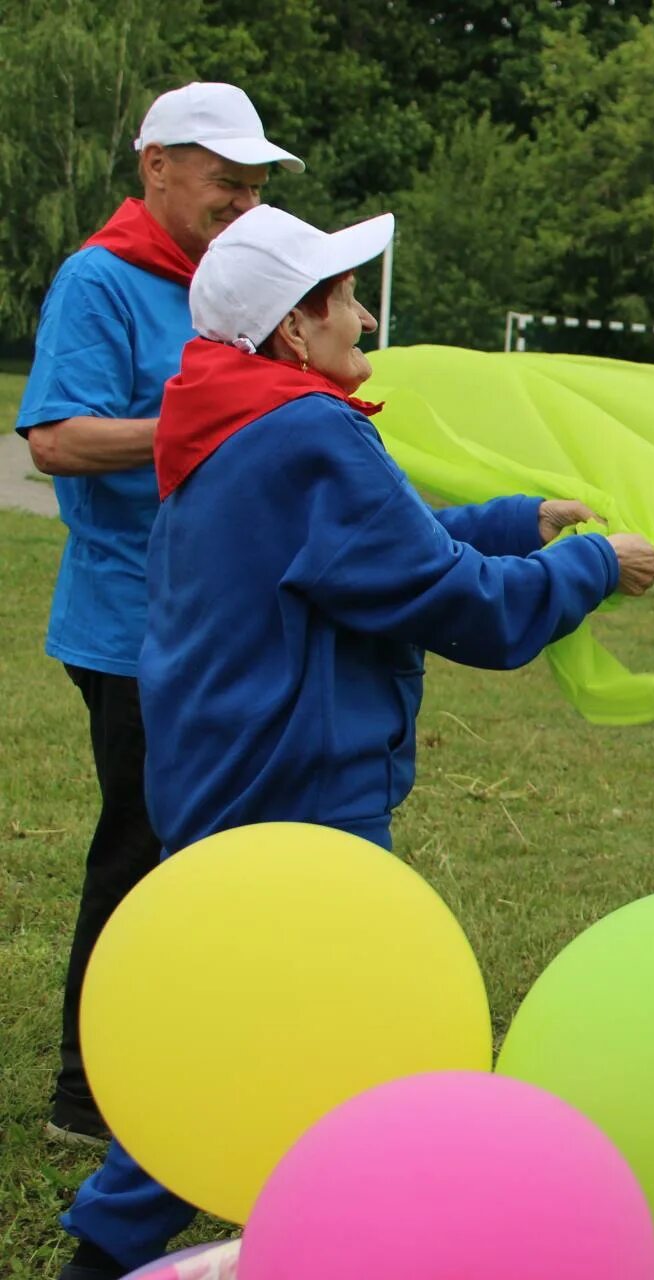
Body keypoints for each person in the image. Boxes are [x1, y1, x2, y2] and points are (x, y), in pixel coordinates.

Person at [54, 205, 654, 1280]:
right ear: (294, 327)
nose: (365, 312)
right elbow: (458, 602)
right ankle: (179, 1244)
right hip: (297, 796)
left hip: (234, 780)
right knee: (307, 1042)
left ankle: (129, 1240)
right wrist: (591, 567)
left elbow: (370, 549)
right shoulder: (306, 430)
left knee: (256, 1034)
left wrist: (518, 518)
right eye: (343, 294)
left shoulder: (233, 413)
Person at [16, 81, 303, 1147]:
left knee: (218, 856)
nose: (243, 198)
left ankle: (194, 1060)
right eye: (225, 179)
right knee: (141, 846)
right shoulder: (102, 280)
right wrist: (199, 420)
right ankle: (86, 1096)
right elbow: (54, 440)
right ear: (157, 167)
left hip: (232, 617)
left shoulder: (238, 283)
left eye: (255, 182)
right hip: (133, 626)